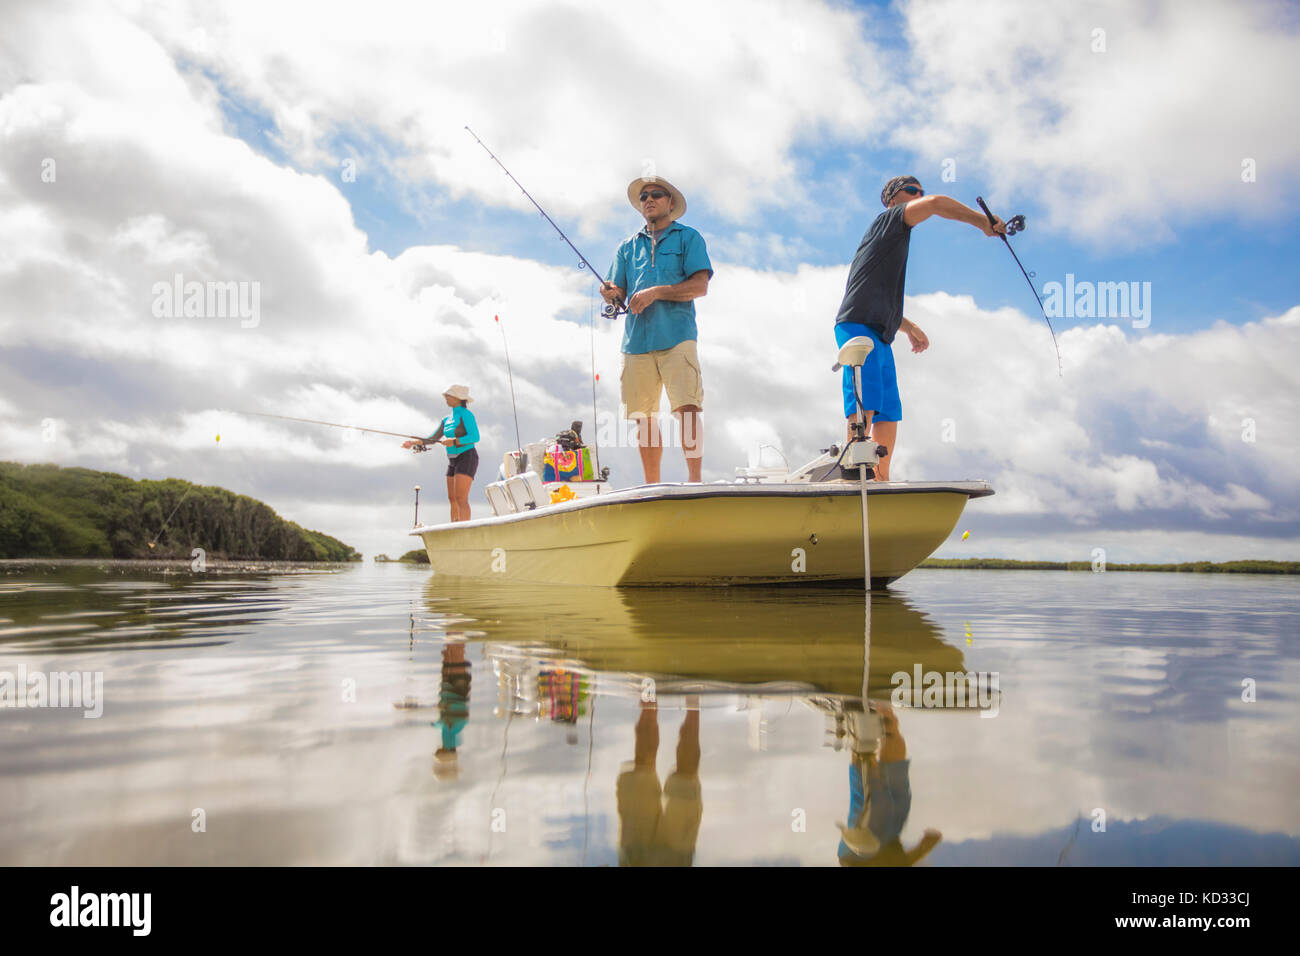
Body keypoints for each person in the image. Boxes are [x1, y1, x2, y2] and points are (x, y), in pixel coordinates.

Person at [833, 176, 1006, 480]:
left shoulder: (892, 242)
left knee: (888, 407)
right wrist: (983, 222)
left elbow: (877, 297)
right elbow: (937, 204)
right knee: (867, 394)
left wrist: (909, 327)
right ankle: (854, 468)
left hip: (881, 331)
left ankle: (880, 477)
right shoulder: (887, 220)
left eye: (920, 192)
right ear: (892, 198)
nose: (918, 195)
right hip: (857, 323)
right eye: (912, 191)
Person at [601, 176, 713, 484]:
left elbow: (700, 286)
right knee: (643, 417)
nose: (648, 199)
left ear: (670, 202)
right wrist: (610, 294)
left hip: (677, 335)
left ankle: (695, 482)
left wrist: (656, 292)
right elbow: (618, 294)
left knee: (687, 408)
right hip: (636, 340)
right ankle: (653, 486)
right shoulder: (626, 247)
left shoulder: (688, 238)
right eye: (643, 196)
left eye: (656, 194)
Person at [402, 384, 479, 522]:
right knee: (452, 498)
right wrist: (413, 443)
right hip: (452, 460)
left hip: (467, 456)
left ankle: (464, 529)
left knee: (461, 498)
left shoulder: (466, 415)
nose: (446, 398)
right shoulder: (446, 419)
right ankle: (454, 527)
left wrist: (454, 441)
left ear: (458, 398)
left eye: (448, 395)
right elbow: (432, 439)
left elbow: (475, 437)